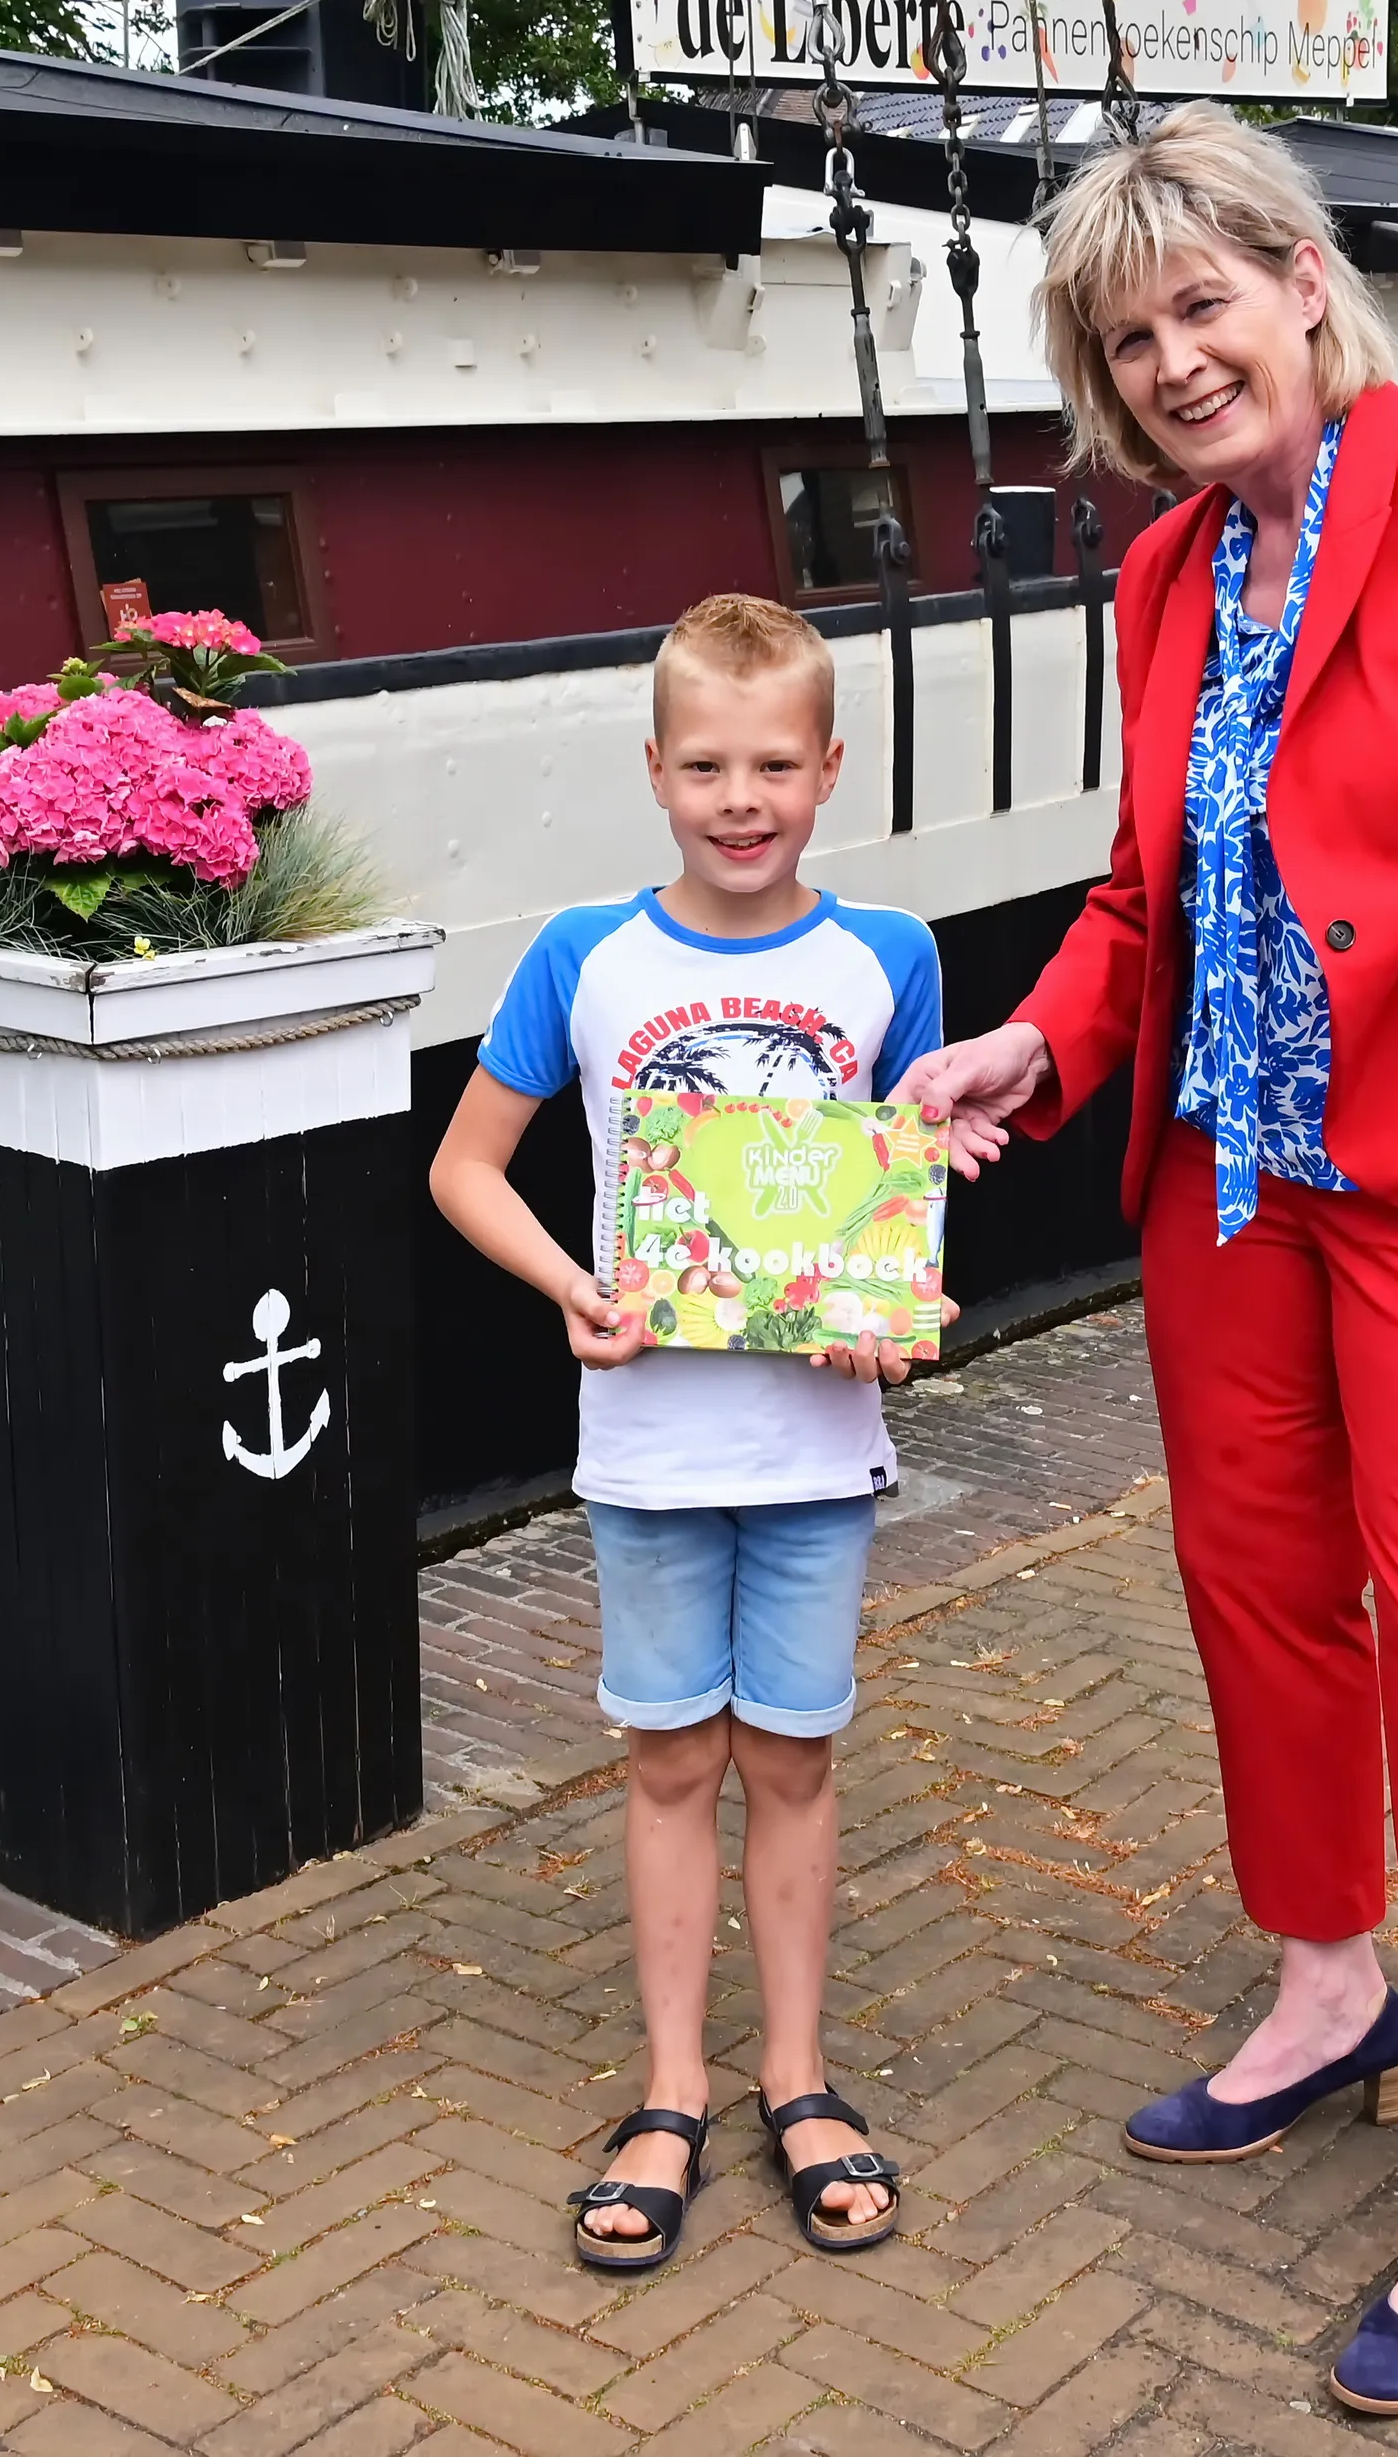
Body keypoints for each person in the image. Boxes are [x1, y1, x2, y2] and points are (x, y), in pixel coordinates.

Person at [891, 109, 1398, 2414]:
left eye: (1202, 303)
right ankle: (1333, 1985)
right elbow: (1153, 900)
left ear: (1306, 282)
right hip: (1230, 1184)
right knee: (1256, 1601)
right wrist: (1027, 1055)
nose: (1173, 358)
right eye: (1128, 335)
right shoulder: (1163, 584)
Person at [431, 592, 945, 2272]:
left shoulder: (891, 959)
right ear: (654, 769)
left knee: (794, 1762)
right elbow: (463, 1168)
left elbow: (903, 1184)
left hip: (814, 1449)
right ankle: (671, 2084)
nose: (743, 797)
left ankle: (795, 2075)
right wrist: (575, 1289)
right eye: (709, 764)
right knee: (668, 1762)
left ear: (830, 770)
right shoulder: (587, 958)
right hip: (647, 1446)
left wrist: (899, 1308)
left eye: (776, 764)